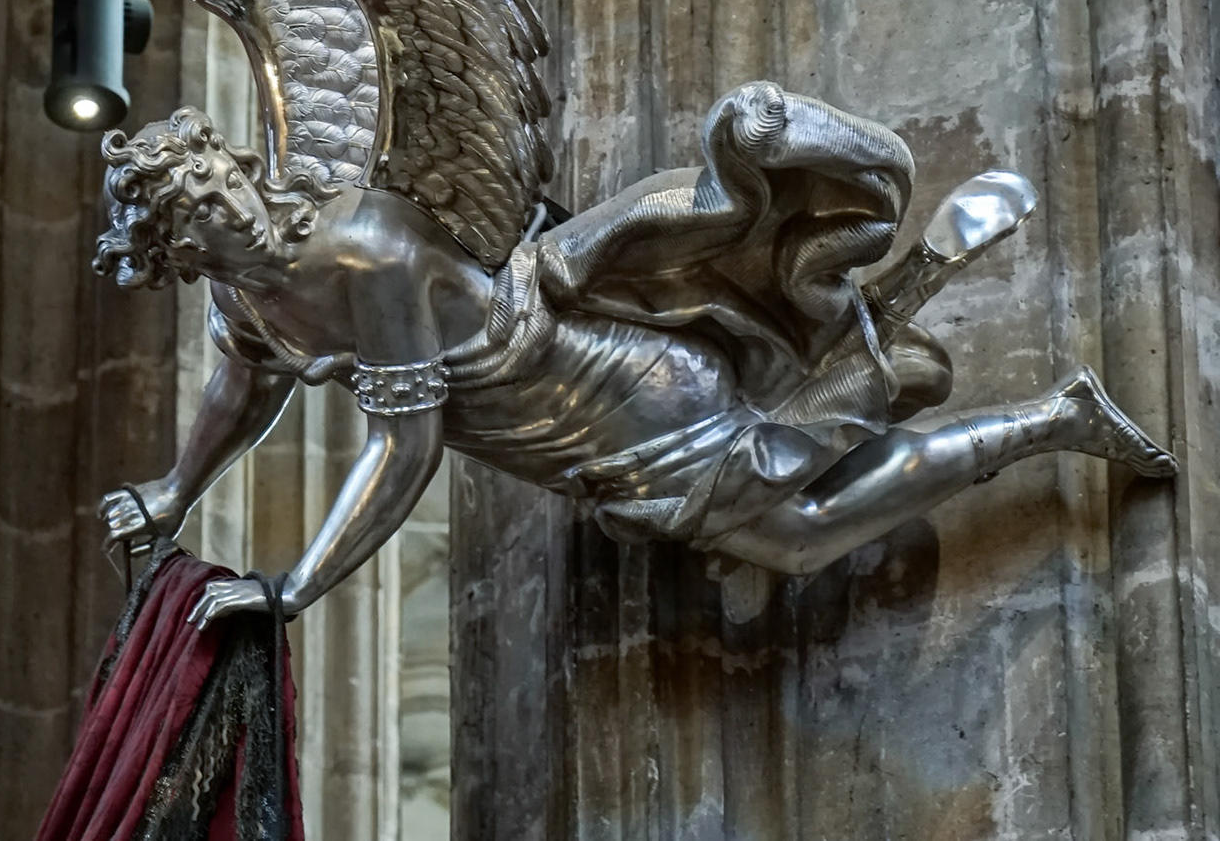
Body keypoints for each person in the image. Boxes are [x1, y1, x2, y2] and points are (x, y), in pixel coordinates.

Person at [94, 86, 1175, 628]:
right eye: (200, 223)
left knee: (794, 529)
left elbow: (406, 444)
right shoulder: (253, 303)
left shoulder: (364, 249)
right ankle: (913, 330)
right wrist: (175, 490)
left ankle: (1038, 411)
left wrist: (295, 587)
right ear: (181, 255)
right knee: (794, 497)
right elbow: (243, 381)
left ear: (232, 166)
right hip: (572, 441)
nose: (227, 217)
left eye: (219, 189)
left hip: (614, 398)